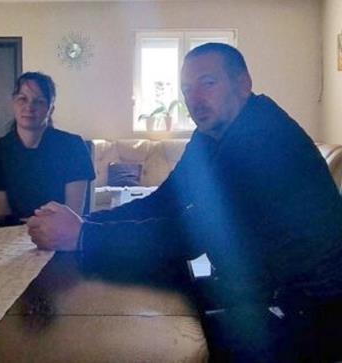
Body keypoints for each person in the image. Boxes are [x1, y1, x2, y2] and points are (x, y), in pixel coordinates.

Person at [27, 43, 342, 361]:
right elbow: (166, 200)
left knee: (150, 344)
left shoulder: (264, 138)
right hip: (258, 287)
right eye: (187, 89)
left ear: (243, 84)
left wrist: (83, 236)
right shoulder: (211, 133)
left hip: (310, 311)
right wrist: (87, 222)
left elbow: (192, 234)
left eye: (208, 83)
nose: (195, 99)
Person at [0, 72, 95, 219]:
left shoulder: (74, 147)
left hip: (63, 230)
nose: (29, 107)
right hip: (13, 232)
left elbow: (73, 215)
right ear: (13, 104)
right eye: (22, 99)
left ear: (50, 109)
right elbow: (3, 217)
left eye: (39, 101)